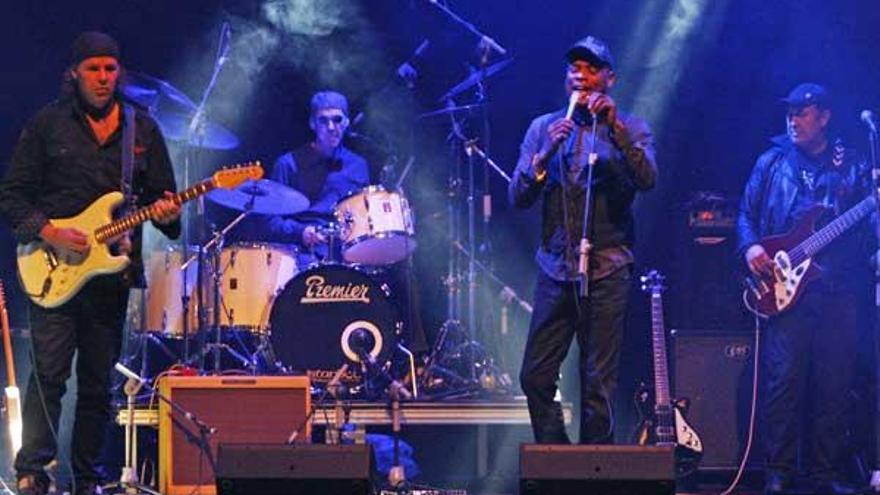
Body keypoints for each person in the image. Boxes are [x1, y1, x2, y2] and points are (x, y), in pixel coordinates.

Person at [0, 32, 181, 495]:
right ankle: (34, 471)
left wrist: (170, 214)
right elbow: (12, 196)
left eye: (110, 69)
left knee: (98, 384)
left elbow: (165, 205)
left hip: (110, 277)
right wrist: (51, 231)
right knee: (50, 377)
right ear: (74, 73)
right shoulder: (47, 125)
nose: (103, 78)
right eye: (93, 69)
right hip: (52, 268)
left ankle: (87, 478)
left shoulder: (142, 131)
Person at [509, 35, 657, 444]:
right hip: (556, 269)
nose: (581, 74)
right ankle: (557, 461)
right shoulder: (543, 128)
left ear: (609, 79)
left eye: (591, 68)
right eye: (575, 67)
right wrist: (544, 155)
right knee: (535, 374)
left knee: (597, 383)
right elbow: (517, 196)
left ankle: (594, 474)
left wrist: (617, 130)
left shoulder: (632, 127)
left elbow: (648, 179)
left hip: (608, 268)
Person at [737, 83, 868, 495]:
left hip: (837, 287)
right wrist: (751, 246)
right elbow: (745, 213)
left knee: (834, 383)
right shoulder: (772, 161)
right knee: (783, 382)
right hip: (785, 286)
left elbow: (868, 223)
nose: (793, 119)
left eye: (803, 112)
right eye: (790, 112)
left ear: (824, 117)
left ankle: (824, 473)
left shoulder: (853, 165)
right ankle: (778, 471)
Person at [263, 91, 427, 355]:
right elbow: (268, 222)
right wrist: (301, 231)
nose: (331, 127)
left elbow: (365, 215)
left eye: (337, 120)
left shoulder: (358, 165)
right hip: (304, 254)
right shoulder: (288, 163)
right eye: (324, 121)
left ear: (347, 122)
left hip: (349, 252)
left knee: (404, 270)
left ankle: (407, 360)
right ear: (312, 124)